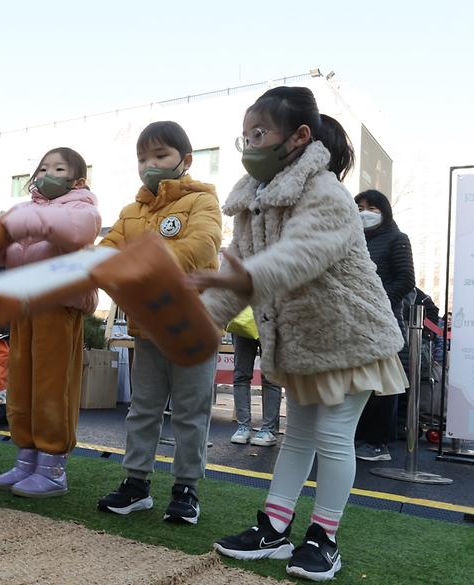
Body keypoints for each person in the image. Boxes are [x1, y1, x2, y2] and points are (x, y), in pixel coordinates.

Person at [192, 86, 406, 582]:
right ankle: (274, 527)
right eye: (244, 135)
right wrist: (200, 321)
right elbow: (238, 268)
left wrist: (239, 281)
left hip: (352, 338)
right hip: (306, 342)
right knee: (298, 437)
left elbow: (297, 258)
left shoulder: (327, 194)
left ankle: (324, 539)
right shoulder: (254, 202)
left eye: (259, 133)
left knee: (332, 439)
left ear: (299, 138)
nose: (249, 144)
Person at [96, 121, 222, 524]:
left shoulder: (203, 201)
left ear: (185, 161)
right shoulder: (132, 212)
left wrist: (142, 265)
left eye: (160, 156)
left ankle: (186, 489)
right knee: (143, 409)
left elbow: (202, 246)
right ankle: (137, 484)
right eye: (142, 158)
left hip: (192, 327)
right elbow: (106, 250)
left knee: (190, 411)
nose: (149, 164)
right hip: (148, 327)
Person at [0, 147, 101, 498]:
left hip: (57, 303)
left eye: (58, 168)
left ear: (76, 179)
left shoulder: (83, 208)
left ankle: (52, 466)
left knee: (52, 386)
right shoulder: (27, 211)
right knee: (21, 383)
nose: (47, 173)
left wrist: (26, 221)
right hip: (25, 304)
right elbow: (5, 254)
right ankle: (26, 459)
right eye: (43, 167)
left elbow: (75, 232)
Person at [353, 189, 415, 461]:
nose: (364, 212)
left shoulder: (397, 239)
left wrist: (376, 299)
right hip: (353, 323)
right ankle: (355, 437)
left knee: (382, 385)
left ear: (384, 211)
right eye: (359, 207)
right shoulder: (351, 239)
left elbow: (405, 280)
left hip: (384, 322)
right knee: (356, 382)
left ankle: (377, 442)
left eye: (371, 208)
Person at [228, 307, 283, 447]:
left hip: (268, 316)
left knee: (267, 376)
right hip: (246, 314)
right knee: (242, 375)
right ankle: (246, 428)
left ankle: (265, 429)